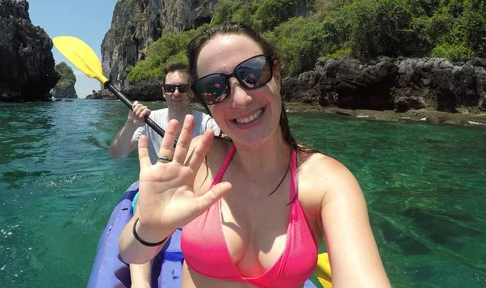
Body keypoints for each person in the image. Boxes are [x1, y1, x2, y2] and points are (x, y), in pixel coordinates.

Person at [118, 23, 391, 288]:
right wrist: (150, 228)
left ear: (277, 75)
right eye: (215, 88)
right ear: (206, 103)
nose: (239, 99)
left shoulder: (327, 183)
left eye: (253, 73)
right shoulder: (198, 161)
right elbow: (132, 253)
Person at [109, 61, 220, 288]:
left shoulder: (207, 123)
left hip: (195, 190)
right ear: (163, 92)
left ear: (191, 92)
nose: (176, 93)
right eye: (170, 88)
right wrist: (130, 124)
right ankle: (141, 285)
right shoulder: (149, 120)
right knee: (144, 207)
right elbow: (116, 153)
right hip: (158, 191)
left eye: (181, 87)